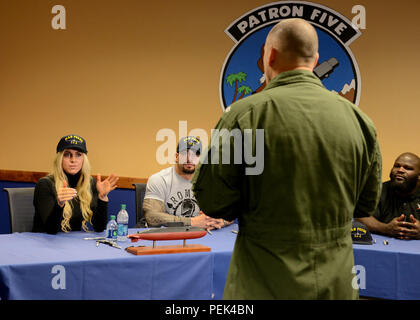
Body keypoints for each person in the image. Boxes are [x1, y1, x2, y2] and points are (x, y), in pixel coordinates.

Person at [192, 18, 382, 299]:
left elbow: (214, 202)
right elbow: (366, 204)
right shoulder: (360, 121)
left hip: (264, 282)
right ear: (315, 58)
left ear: (269, 55)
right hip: (336, 284)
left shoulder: (243, 115)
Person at [32, 134, 119, 234]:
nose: (73, 160)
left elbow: (99, 227)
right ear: (59, 158)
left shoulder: (90, 183)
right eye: (67, 154)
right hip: (43, 242)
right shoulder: (45, 184)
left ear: (84, 159)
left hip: (72, 244)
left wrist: (102, 198)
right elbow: (51, 230)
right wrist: (59, 204)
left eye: (78, 154)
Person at [143, 136, 231, 230]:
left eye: (195, 154)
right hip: (168, 235)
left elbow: (230, 211)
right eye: (185, 154)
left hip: (202, 234)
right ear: (176, 157)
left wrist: (222, 221)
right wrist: (192, 222)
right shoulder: (159, 179)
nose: (190, 159)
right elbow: (151, 216)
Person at [356, 153, 420, 239]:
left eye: (407, 168)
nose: (400, 170)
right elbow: (361, 216)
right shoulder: (378, 190)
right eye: (397, 166)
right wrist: (385, 229)